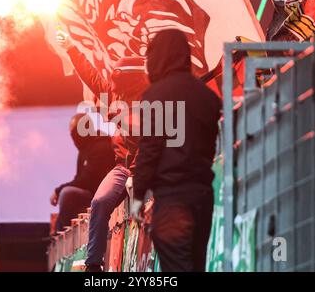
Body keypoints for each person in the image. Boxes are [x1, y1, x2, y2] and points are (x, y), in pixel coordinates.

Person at [56, 30, 149, 272]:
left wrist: (138, 175)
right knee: (99, 201)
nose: (112, 82)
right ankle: (93, 264)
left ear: (129, 79)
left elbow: (147, 137)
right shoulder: (116, 96)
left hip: (147, 168)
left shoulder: (152, 101)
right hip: (122, 169)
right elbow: (92, 77)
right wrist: (71, 48)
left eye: (117, 76)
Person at [131, 29, 221, 272]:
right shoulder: (207, 97)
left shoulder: (156, 95)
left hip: (173, 200)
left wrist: (138, 195)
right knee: (195, 265)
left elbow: (150, 149)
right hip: (203, 197)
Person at [51, 114, 115, 232]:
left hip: (102, 195)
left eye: (74, 133)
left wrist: (59, 190)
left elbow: (87, 180)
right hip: (91, 195)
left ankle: (63, 232)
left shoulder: (101, 146)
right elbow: (79, 178)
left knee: (67, 194)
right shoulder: (83, 151)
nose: (73, 138)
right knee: (68, 194)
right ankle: (60, 234)